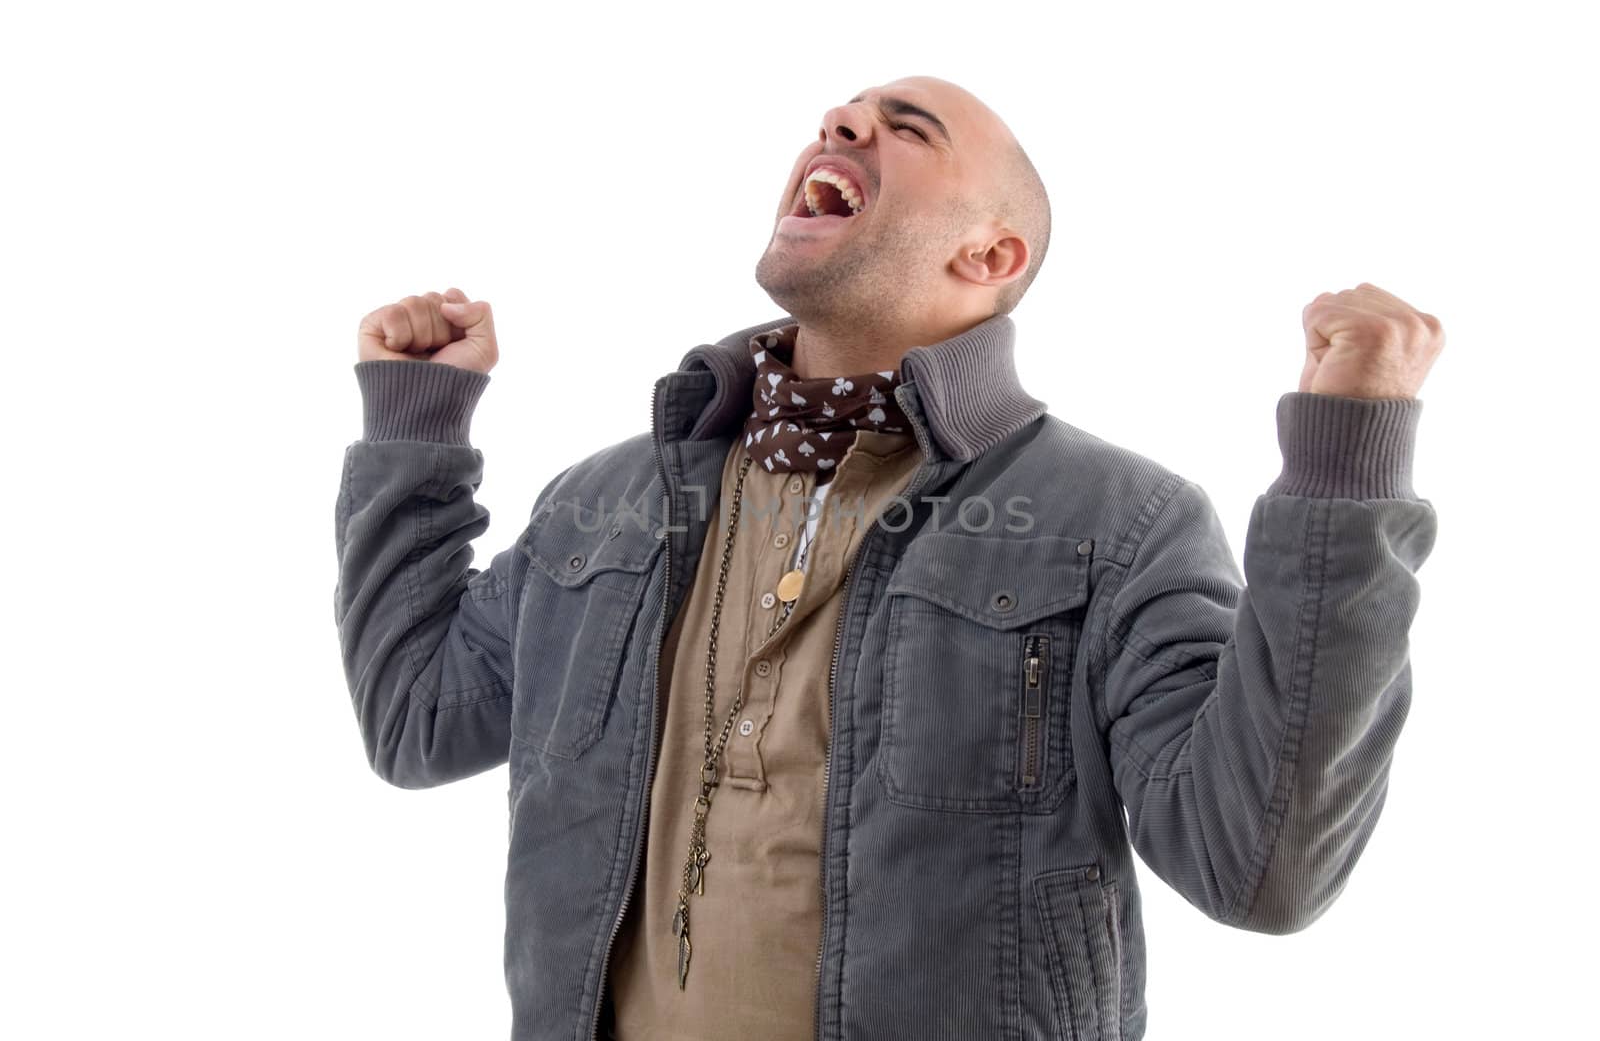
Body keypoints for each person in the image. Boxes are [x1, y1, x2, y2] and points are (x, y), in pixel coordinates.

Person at [332, 75, 1443, 1041]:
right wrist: (419, 423)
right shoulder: (605, 500)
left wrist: (1342, 473)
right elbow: (417, 719)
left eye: (905, 128)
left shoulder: (1117, 518)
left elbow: (1255, 864)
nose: (843, 120)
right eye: (840, 113)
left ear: (990, 252)